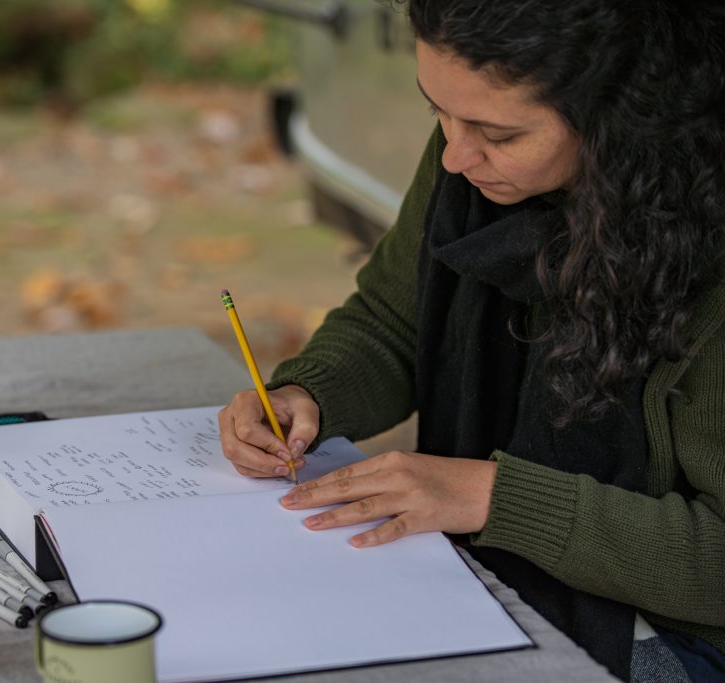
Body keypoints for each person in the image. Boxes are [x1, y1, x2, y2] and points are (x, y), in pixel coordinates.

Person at [217, 1, 725, 681]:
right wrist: (307, 392)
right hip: (489, 569)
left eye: (499, 133)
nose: (456, 157)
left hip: (680, 628)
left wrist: (492, 497)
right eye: (437, 113)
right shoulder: (471, 156)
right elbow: (392, 319)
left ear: (623, 114)